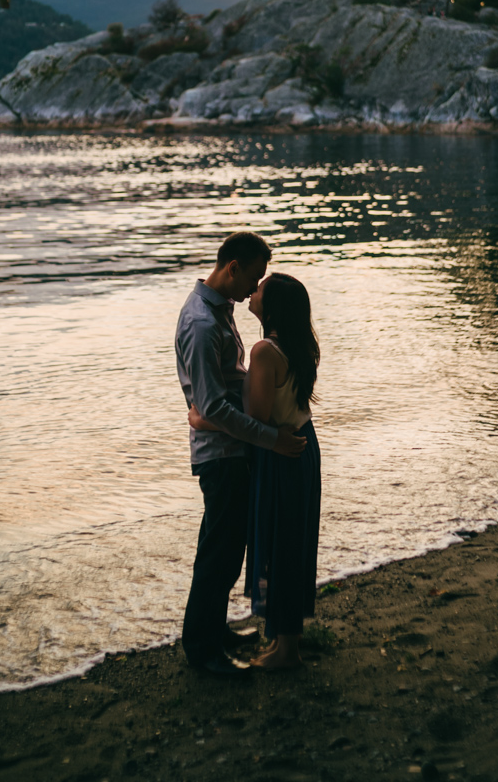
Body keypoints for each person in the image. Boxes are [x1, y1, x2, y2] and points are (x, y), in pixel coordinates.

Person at [176, 232, 307, 678]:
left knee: (228, 550)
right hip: (222, 454)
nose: (255, 290)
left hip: (235, 447)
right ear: (232, 267)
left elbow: (226, 393)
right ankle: (202, 648)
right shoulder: (202, 324)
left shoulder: (220, 312)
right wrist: (271, 439)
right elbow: (211, 406)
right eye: (252, 278)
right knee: (219, 552)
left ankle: (215, 632)